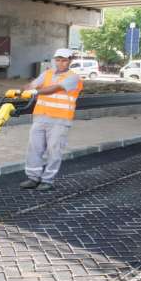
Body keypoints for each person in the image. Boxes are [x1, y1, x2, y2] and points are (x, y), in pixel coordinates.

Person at [18, 48, 83, 191]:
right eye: (58, 60)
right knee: (34, 148)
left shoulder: (73, 77)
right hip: (41, 117)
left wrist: (35, 92)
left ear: (70, 61)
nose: (60, 63)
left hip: (60, 120)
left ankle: (47, 180)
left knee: (54, 150)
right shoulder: (46, 74)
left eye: (64, 60)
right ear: (54, 60)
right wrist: (21, 90)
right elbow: (32, 85)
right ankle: (33, 177)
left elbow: (55, 88)